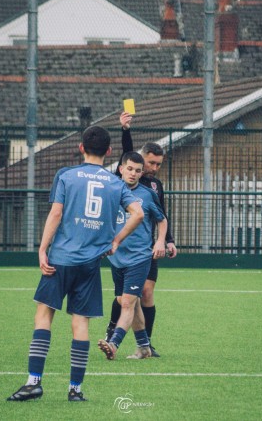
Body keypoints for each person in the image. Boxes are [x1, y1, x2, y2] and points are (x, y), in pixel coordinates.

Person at [7, 126, 144, 402]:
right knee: (80, 323)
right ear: (109, 152)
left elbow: (56, 213)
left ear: (81, 148)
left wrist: (42, 249)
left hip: (59, 259)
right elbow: (138, 213)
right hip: (90, 264)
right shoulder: (115, 182)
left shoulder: (66, 175)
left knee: (44, 316)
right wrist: (115, 241)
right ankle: (75, 389)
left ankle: (34, 383)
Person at [105, 112, 177, 357]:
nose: (153, 169)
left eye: (158, 164)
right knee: (126, 299)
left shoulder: (153, 188)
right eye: (151, 163)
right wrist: (125, 130)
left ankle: (123, 342)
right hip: (119, 254)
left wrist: (166, 240)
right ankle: (141, 343)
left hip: (143, 251)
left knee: (140, 295)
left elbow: (162, 215)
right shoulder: (121, 180)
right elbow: (128, 155)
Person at [98, 151, 167, 360]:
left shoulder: (147, 194)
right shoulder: (110, 191)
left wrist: (161, 241)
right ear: (121, 169)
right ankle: (144, 347)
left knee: (128, 302)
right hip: (117, 258)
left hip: (139, 257)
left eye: (138, 170)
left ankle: (113, 344)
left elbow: (162, 219)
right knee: (130, 302)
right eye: (129, 169)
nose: (134, 174)